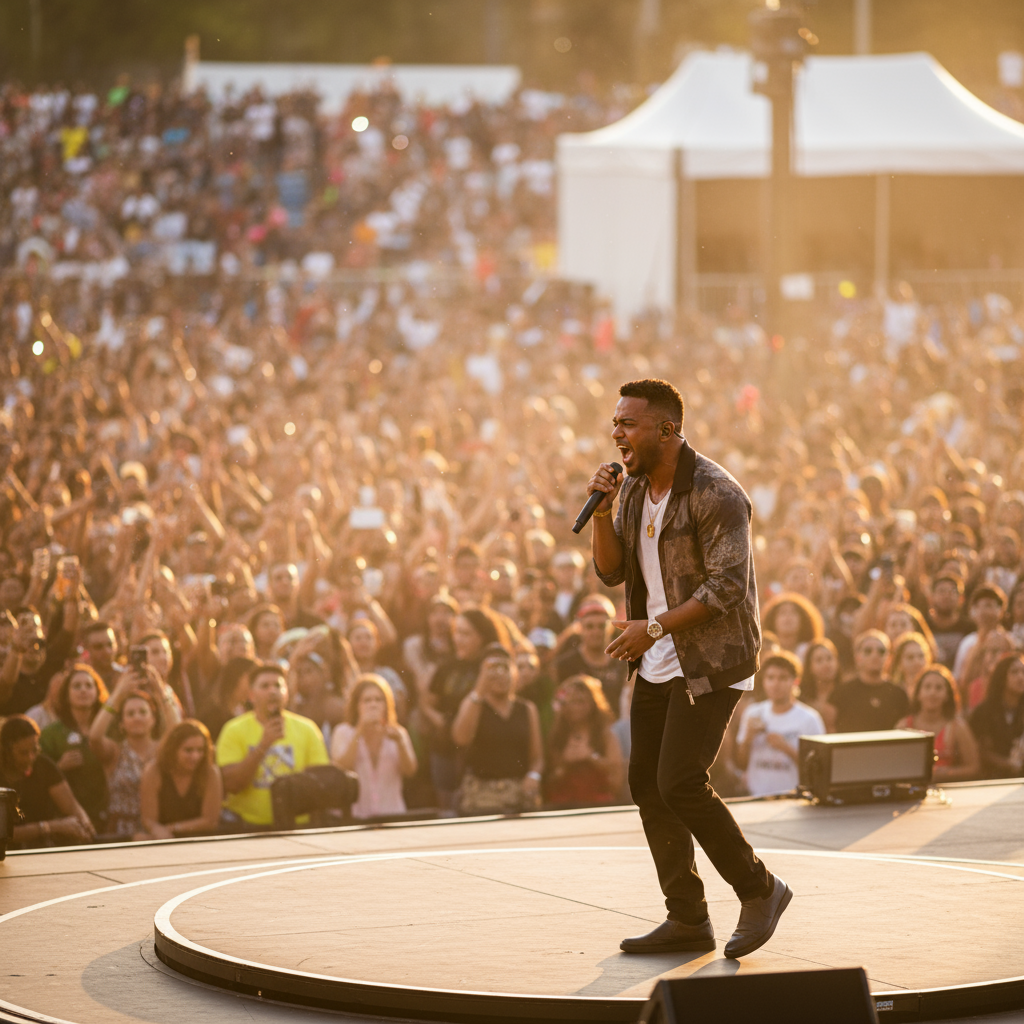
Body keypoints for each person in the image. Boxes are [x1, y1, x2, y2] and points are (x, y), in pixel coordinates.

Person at [588, 378, 788, 960]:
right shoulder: (631, 491)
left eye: (629, 424)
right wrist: (602, 514)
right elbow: (611, 570)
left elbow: (726, 587)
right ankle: (687, 917)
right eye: (616, 425)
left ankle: (760, 889)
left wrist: (650, 628)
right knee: (646, 783)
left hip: (711, 660)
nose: (618, 435)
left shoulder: (716, 492)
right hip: (656, 656)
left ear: (668, 429)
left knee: (678, 779)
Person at [215, 662, 329, 828]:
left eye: (277, 686)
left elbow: (320, 782)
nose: (272, 691)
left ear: (286, 694)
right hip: (247, 826)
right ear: (252, 695)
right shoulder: (233, 730)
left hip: (296, 825)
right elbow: (231, 784)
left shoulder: (307, 729)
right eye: (265, 686)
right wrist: (264, 745)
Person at [451, 643, 543, 815]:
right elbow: (460, 739)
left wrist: (533, 776)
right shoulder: (473, 704)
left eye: (505, 668)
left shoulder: (527, 709)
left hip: (518, 795)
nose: (500, 675)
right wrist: (480, 689)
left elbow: (537, 758)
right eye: (493, 669)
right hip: (481, 797)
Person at [736, 653, 825, 797]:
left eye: (783, 678)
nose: (775, 684)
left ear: (795, 682)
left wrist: (786, 748)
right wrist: (747, 740)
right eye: (770, 678)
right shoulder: (752, 713)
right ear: (764, 681)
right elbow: (741, 763)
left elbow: (818, 768)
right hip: (755, 796)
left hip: (793, 797)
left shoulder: (810, 719)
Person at [330, 674, 417, 819]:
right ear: (357, 705)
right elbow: (341, 768)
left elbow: (410, 771)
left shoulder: (398, 733)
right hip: (355, 817)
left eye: (378, 700)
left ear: (386, 704)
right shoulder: (343, 732)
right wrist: (359, 732)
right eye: (367, 700)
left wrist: (401, 743)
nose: (373, 704)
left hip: (392, 815)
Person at [0, 716, 95, 848]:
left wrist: (84, 825)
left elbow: (72, 807)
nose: (31, 757)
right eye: (23, 753)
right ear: (6, 751)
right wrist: (52, 827)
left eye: (34, 750)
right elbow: (4, 833)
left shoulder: (43, 765)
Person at [38, 664, 110, 829]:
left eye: (89, 686)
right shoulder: (51, 734)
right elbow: (38, 778)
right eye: (76, 686)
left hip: (108, 815)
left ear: (98, 692)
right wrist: (59, 767)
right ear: (66, 694)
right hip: (68, 820)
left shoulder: (109, 729)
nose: (83, 690)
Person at [89, 678, 161, 838]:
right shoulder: (115, 752)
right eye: (130, 713)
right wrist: (118, 694)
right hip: (122, 832)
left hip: (158, 829)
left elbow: (179, 732)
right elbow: (94, 737)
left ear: (153, 719)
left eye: (143, 712)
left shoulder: (163, 750)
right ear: (121, 724)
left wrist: (161, 692)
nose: (137, 717)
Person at [545, 674, 623, 807]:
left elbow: (617, 779)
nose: (575, 707)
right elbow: (548, 782)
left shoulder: (605, 736)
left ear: (593, 704)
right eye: (571, 702)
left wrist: (590, 757)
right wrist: (564, 764)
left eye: (580, 701)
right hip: (565, 805)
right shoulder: (557, 736)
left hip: (599, 804)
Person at [139, 720, 224, 838]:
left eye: (200, 750)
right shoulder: (154, 771)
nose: (195, 756)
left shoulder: (211, 773)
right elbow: (148, 819)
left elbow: (210, 821)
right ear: (172, 750)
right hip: (163, 839)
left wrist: (172, 828)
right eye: (188, 750)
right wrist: (158, 830)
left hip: (199, 839)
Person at [897, 666, 980, 783]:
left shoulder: (958, 727)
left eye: (939, 688)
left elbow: (973, 768)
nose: (932, 693)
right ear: (918, 694)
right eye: (927, 687)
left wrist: (946, 773)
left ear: (947, 695)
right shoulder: (903, 727)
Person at [554, 595, 628, 714]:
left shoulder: (624, 660)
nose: (596, 632)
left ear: (611, 628)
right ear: (580, 628)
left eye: (601, 626)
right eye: (590, 626)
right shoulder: (566, 665)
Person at [830, 630, 909, 733]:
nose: (875, 655)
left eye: (881, 651)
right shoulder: (840, 694)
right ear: (857, 657)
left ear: (889, 658)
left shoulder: (899, 694)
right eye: (868, 651)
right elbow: (830, 728)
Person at [968, 654, 1024, 779]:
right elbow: (978, 751)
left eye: (1023, 672)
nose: (1021, 677)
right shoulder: (984, 712)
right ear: (1002, 677)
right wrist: (1008, 764)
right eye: (1014, 672)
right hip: (991, 779)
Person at [798, 639, 839, 732]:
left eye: (829, 658)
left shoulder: (847, 693)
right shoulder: (802, 698)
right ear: (810, 666)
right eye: (819, 660)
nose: (826, 664)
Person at [888, 632, 933, 699]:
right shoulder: (892, 691)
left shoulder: (935, 691)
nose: (917, 662)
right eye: (910, 657)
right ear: (899, 663)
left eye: (921, 656)